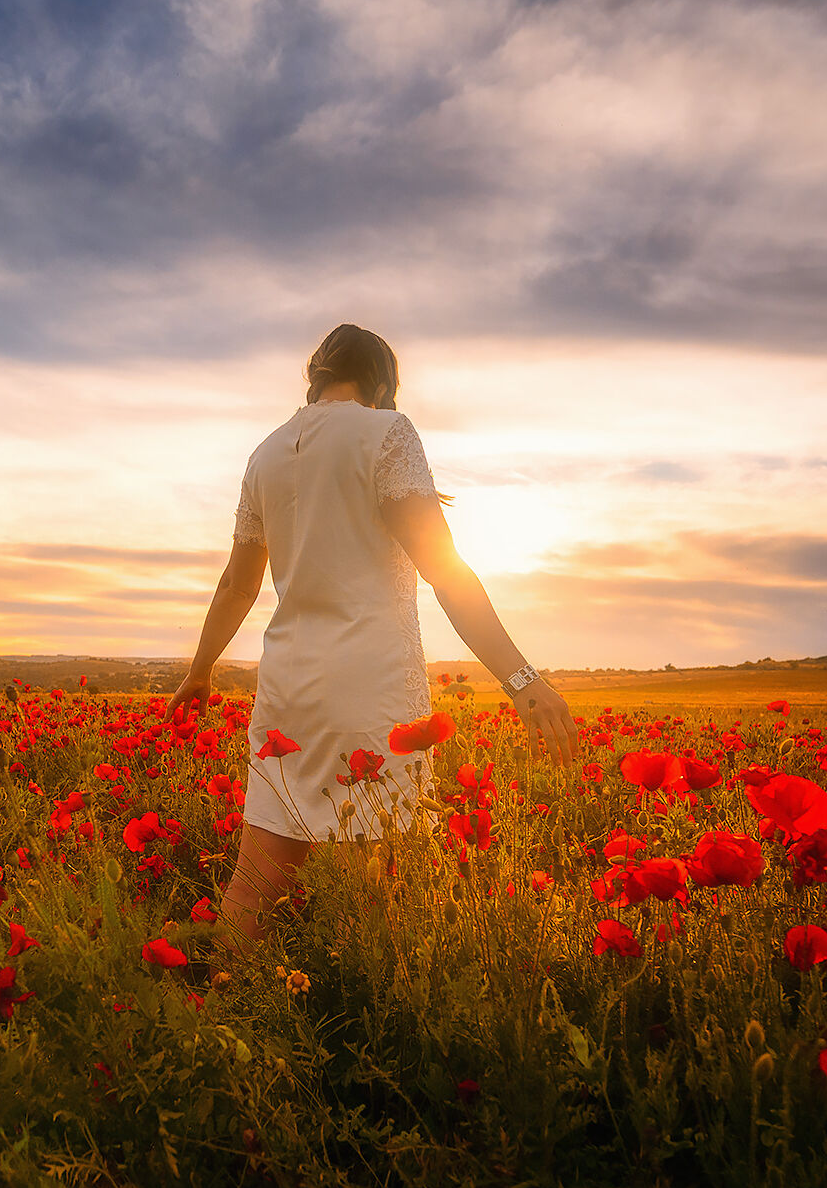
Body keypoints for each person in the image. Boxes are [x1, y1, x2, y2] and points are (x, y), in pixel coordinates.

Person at [166, 323, 578, 945]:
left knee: (254, 890)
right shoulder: (388, 432)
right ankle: (367, 1016)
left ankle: (216, 1013)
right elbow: (445, 570)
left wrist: (199, 672)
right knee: (381, 898)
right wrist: (521, 679)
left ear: (318, 376)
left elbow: (237, 586)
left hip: (288, 691)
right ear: (384, 382)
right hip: (372, 687)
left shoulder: (266, 453)